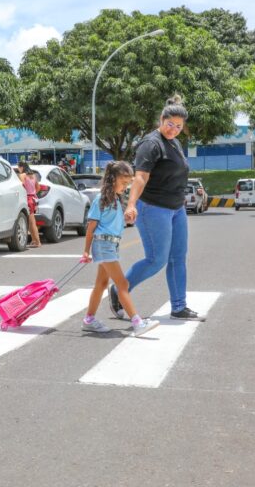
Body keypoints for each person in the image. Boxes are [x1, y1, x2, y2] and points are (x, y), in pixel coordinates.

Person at [108, 95, 204, 322]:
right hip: (153, 208)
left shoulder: (175, 143)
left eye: (179, 127)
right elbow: (140, 178)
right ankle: (119, 290)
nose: (173, 130)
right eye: (170, 124)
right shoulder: (150, 144)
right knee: (156, 259)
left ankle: (179, 306)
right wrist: (131, 204)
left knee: (178, 258)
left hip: (176, 209)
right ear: (161, 119)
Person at [81, 161, 161, 336]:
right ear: (113, 179)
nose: (126, 187)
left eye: (128, 183)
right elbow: (91, 227)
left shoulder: (116, 199)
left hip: (111, 245)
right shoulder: (101, 199)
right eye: (124, 183)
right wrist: (86, 251)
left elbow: (113, 224)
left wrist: (127, 219)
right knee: (122, 284)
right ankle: (137, 322)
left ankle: (89, 319)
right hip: (104, 245)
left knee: (101, 284)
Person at [17, 161, 42, 248]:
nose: (18, 170)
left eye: (18, 168)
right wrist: (33, 193)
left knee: (31, 222)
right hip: (34, 198)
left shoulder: (22, 175)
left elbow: (21, 186)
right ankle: (34, 240)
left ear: (22, 167)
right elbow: (38, 187)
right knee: (31, 221)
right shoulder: (33, 175)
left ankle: (38, 242)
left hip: (28, 199)